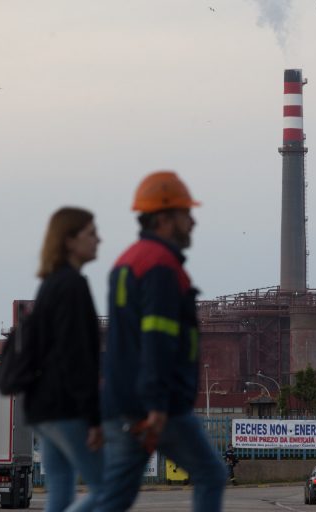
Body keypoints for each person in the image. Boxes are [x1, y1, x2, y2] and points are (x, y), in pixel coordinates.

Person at [98, 171, 227, 512]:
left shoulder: (125, 263)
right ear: (164, 218)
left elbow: (124, 341)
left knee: (114, 498)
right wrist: (156, 406)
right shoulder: (161, 267)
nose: (192, 222)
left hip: (121, 400)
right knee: (211, 473)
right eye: (187, 214)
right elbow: (157, 340)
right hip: (157, 406)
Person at [24, 207, 103, 512]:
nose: (99, 239)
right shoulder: (72, 285)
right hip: (66, 409)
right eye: (91, 233)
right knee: (109, 489)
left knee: (60, 493)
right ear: (69, 240)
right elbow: (77, 359)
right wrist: (93, 418)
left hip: (41, 409)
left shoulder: (49, 285)